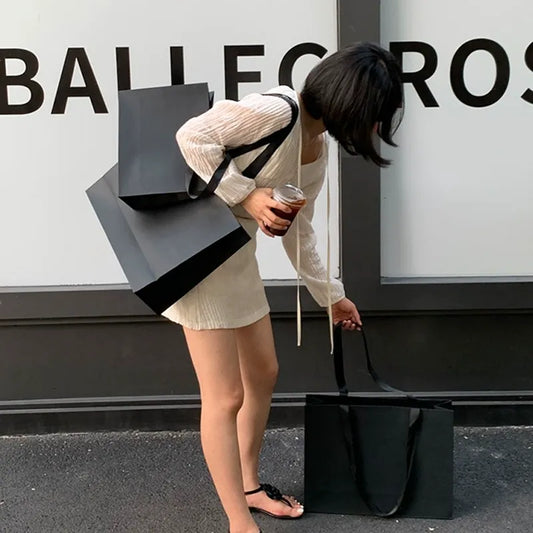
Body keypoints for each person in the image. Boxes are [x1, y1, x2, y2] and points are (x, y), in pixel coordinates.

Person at [161, 42, 403, 533]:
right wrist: (248, 195)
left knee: (264, 373)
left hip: (235, 257)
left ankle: (249, 486)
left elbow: (300, 230)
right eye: (375, 115)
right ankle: (237, 521)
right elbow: (191, 137)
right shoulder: (277, 111)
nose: (375, 128)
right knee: (224, 397)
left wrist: (331, 296)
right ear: (353, 104)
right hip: (198, 256)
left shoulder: (317, 147)